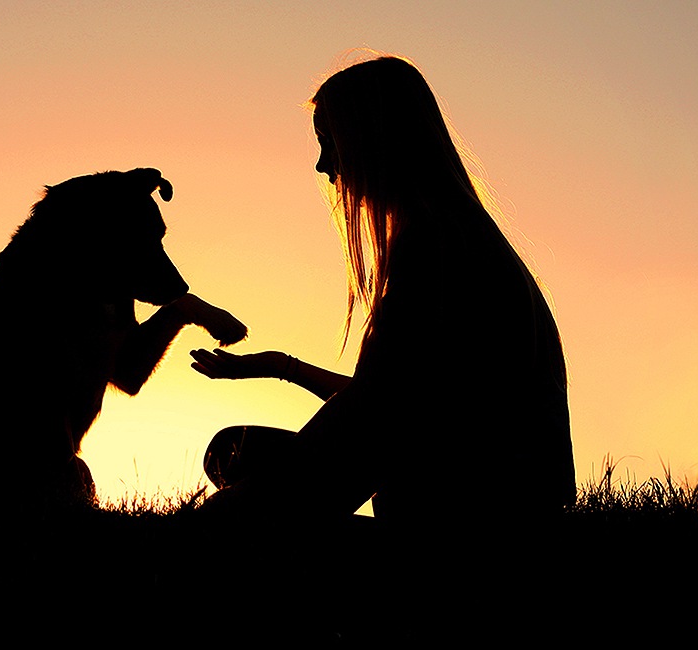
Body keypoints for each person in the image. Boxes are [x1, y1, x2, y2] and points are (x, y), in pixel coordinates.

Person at [190, 55, 575, 531]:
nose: (323, 165)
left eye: (330, 144)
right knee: (236, 451)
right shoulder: (456, 235)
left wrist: (250, 507)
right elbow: (401, 395)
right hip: (489, 488)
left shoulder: (435, 243)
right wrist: (281, 368)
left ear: (375, 140)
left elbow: (377, 415)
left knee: (237, 493)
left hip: (476, 513)